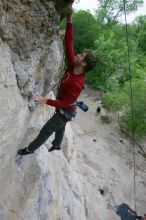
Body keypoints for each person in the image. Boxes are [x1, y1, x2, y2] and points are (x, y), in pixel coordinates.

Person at [18, 3, 97, 155]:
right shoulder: (73, 65)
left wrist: (44, 100)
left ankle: (29, 150)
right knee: (60, 127)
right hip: (65, 108)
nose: (77, 55)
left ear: (84, 64)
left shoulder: (77, 83)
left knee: (47, 129)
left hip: (66, 111)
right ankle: (57, 145)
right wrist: (69, 19)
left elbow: (63, 104)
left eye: (81, 56)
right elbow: (69, 42)